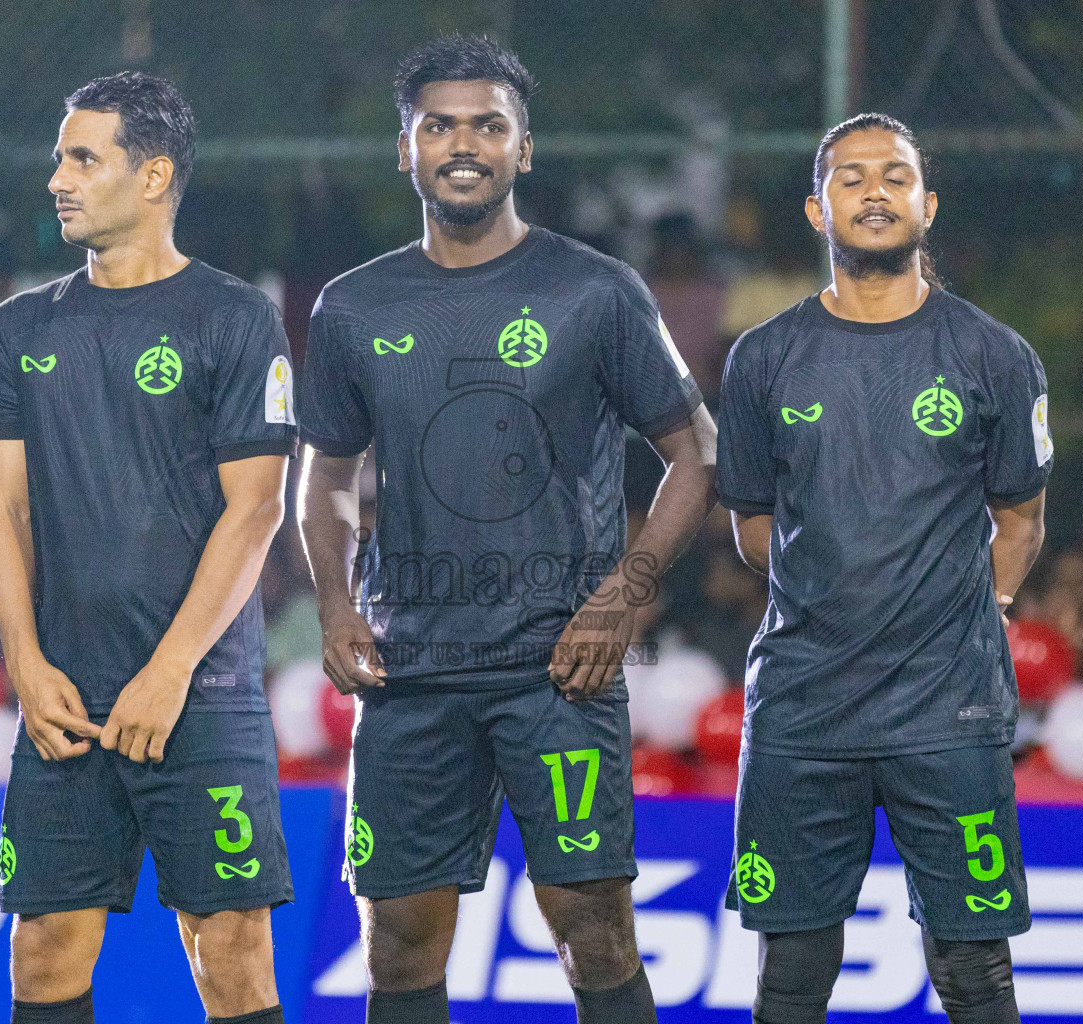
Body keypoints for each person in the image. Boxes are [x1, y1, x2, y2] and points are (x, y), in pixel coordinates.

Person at [297, 33, 716, 1024]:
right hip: (410, 668)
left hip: (557, 667)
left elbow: (696, 453)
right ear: (407, 150)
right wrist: (331, 600)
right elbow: (321, 480)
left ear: (524, 149)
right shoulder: (354, 307)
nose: (464, 142)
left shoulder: (597, 290)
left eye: (490, 123)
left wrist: (624, 593)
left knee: (593, 925)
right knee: (399, 941)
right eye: (438, 124)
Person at [716, 113, 1051, 1024]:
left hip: (948, 709)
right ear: (818, 210)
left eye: (895, 177)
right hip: (803, 702)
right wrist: (825, 577)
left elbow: (1020, 519)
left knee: (976, 975)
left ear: (926, 204)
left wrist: (983, 611)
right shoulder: (762, 358)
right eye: (852, 177)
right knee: (790, 979)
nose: (875, 191)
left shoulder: (993, 354)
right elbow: (749, 521)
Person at [0, 73, 296, 1024]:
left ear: (153, 175)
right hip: (63, 698)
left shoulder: (235, 318)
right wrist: (24, 665)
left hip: (199, 694)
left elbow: (257, 512)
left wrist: (169, 672)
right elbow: (4, 509)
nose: (58, 179)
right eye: (58, 157)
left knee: (231, 953)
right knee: (43, 955)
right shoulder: (21, 326)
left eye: (84, 158)